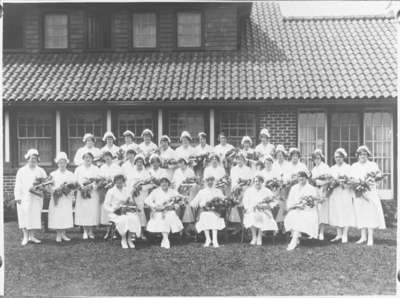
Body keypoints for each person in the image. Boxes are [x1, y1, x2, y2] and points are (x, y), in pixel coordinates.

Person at [350, 145, 386, 246]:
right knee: (360, 213)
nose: (363, 156)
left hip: (370, 192)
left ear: (368, 155)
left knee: (370, 214)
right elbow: (351, 179)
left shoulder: (373, 165)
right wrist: (358, 185)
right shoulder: (354, 166)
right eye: (361, 154)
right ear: (357, 155)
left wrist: (374, 178)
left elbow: (378, 175)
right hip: (358, 193)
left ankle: (370, 237)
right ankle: (363, 236)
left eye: (365, 154)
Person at [14, 149, 48, 245]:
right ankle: (25, 237)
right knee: (24, 217)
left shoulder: (41, 171)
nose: (33, 160)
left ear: (38, 160)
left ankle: (32, 236)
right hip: (24, 198)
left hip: (36, 198)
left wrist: (41, 188)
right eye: (31, 158)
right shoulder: (21, 171)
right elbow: (18, 185)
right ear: (27, 159)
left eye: (35, 158)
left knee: (34, 217)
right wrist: (18, 197)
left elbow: (45, 183)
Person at [103, 174, 142, 249]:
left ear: (123, 182)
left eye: (121, 182)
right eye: (117, 182)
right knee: (123, 220)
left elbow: (130, 201)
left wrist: (131, 205)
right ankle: (123, 239)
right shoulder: (111, 191)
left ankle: (129, 239)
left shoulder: (127, 190)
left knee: (134, 218)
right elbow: (106, 204)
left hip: (126, 210)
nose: (119, 184)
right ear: (114, 182)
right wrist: (113, 209)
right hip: (116, 212)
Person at [145, 175, 184, 249]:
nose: (164, 184)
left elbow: (180, 200)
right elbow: (147, 200)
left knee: (170, 217)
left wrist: (175, 206)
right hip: (159, 212)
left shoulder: (172, 191)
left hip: (169, 210)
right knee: (163, 220)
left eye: (166, 182)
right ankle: (166, 239)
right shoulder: (155, 191)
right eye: (162, 182)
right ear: (160, 183)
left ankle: (165, 239)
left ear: (168, 183)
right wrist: (155, 206)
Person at [284, 171, 319, 251]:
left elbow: (313, 202)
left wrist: (304, 205)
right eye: (299, 178)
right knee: (290, 216)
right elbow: (290, 200)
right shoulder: (294, 187)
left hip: (308, 211)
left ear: (306, 178)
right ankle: (296, 238)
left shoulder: (311, 188)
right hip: (295, 209)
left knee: (300, 218)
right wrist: (294, 206)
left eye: (303, 178)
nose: (301, 179)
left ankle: (294, 241)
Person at [328, 148, 356, 243]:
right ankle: (338, 234)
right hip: (335, 193)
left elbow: (352, 181)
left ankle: (345, 234)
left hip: (345, 192)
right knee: (336, 212)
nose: (338, 159)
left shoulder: (348, 168)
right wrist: (333, 183)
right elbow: (330, 181)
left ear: (343, 157)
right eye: (336, 157)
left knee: (345, 212)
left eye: (340, 157)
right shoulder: (332, 168)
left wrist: (345, 183)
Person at [190, 175, 226, 248]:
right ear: (205, 182)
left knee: (214, 217)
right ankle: (208, 239)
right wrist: (197, 204)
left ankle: (215, 240)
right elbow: (194, 202)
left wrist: (220, 204)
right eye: (208, 180)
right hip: (205, 211)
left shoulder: (218, 191)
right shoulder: (202, 192)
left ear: (214, 182)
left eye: (211, 180)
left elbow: (223, 200)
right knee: (204, 216)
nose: (210, 182)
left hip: (215, 211)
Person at [48, 152, 76, 243]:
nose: (62, 164)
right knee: (57, 215)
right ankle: (58, 235)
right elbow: (49, 186)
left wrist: (69, 192)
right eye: (60, 162)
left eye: (63, 162)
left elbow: (73, 186)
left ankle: (64, 234)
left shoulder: (70, 174)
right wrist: (55, 190)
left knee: (65, 215)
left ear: (66, 163)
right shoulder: (53, 174)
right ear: (57, 163)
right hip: (57, 198)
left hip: (66, 198)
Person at [242, 175, 278, 245]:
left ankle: (259, 237)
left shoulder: (267, 190)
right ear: (253, 182)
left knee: (263, 216)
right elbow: (245, 201)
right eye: (256, 181)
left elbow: (274, 201)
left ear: (262, 182)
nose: (257, 183)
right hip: (252, 209)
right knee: (251, 216)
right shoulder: (249, 191)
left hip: (264, 210)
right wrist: (251, 207)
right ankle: (254, 237)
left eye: (259, 181)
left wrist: (265, 206)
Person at [74, 151, 102, 239]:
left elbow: (99, 180)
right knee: (84, 212)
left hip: (92, 193)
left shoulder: (96, 168)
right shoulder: (78, 169)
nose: (87, 159)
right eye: (86, 157)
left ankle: (91, 231)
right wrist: (82, 187)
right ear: (83, 159)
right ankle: (85, 231)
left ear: (92, 159)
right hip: (82, 193)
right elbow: (75, 181)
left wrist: (91, 186)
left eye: (89, 157)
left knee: (91, 211)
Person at [124, 153, 152, 235]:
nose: (139, 164)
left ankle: (142, 231)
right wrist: (132, 190)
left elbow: (150, 184)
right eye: (137, 162)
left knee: (142, 212)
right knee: (134, 212)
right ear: (135, 163)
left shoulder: (146, 172)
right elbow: (128, 184)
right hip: (134, 196)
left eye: (141, 162)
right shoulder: (131, 172)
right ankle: (133, 231)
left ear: (143, 163)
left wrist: (141, 188)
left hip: (143, 195)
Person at [172, 157, 198, 237]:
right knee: (179, 209)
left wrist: (187, 187)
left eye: (182, 162)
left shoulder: (190, 171)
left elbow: (194, 182)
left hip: (188, 193)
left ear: (185, 163)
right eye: (179, 163)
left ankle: (186, 229)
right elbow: (173, 182)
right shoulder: (176, 171)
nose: (181, 164)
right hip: (179, 193)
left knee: (187, 210)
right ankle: (179, 229)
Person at [99, 150, 121, 239]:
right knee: (106, 209)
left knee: (115, 209)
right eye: (105, 157)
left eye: (109, 157)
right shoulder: (102, 167)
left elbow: (119, 178)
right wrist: (104, 182)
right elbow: (99, 178)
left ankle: (115, 231)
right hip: (105, 190)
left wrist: (112, 183)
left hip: (114, 191)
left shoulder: (116, 167)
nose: (107, 158)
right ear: (104, 158)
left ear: (112, 157)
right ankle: (108, 230)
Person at [229, 152, 253, 229]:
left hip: (246, 190)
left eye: (241, 159)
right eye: (238, 159)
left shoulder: (248, 169)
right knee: (237, 207)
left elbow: (250, 181)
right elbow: (233, 180)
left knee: (245, 207)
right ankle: (239, 227)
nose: (240, 161)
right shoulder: (233, 169)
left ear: (244, 160)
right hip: (237, 191)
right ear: (236, 160)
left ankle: (246, 226)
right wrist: (237, 188)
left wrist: (244, 186)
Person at [311, 149, 331, 240]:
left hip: (323, 189)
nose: (316, 160)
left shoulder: (325, 167)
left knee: (322, 211)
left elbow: (328, 180)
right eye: (315, 158)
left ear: (321, 158)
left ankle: (321, 232)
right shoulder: (314, 169)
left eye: (318, 158)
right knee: (315, 211)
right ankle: (314, 231)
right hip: (315, 190)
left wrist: (323, 187)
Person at [271, 144, 290, 226]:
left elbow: (289, 175)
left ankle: (284, 224)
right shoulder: (274, 165)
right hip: (276, 188)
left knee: (284, 206)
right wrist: (276, 182)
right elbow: (272, 176)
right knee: (276, 205)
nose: (280, 156)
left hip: (285, 188)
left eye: (281, 155)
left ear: (284, 155)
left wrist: (284, 183)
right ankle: (276, 224)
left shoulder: (287, 164)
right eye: (278, 155)